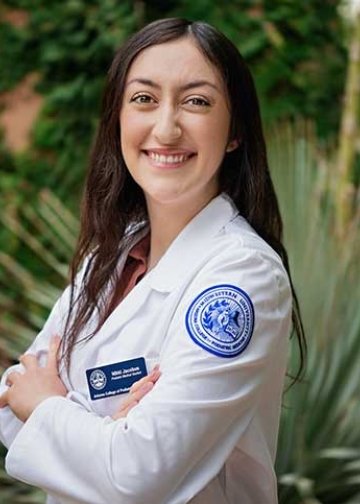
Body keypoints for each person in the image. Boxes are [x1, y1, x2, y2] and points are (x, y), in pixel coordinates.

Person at [0, 17, 306, 504]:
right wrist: (103, 433)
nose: (166, 128)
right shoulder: (113, 253)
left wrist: (54, 408)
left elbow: (138, 475)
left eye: (197, 102)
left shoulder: (242, 278)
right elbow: (11, 396)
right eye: (144, 99)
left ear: (235, 133)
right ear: (118, 119)